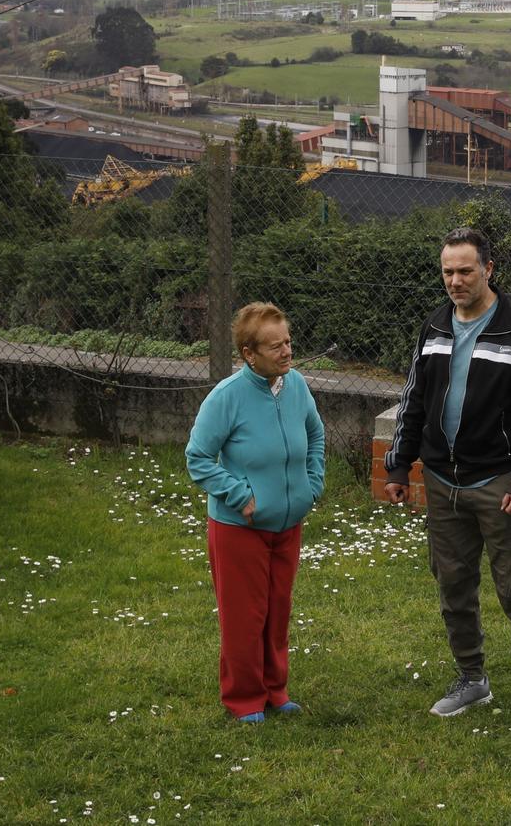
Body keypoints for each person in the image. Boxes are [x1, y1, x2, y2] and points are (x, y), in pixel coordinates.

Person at [383, 226, 511, 726]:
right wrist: (399, 465)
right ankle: (471, 679)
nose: (455, 281)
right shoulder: (434, 328)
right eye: (447, 272)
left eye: (465, 270)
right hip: (442, 484)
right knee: (454, 587)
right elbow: (413, 401)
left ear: (488, 270)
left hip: (499, 485)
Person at [186, 301, 326, 723]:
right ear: (249, 353)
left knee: (277, 609)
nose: (287, 352)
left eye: (288, 342)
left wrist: (310, 485)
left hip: (288, 523)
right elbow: (198, 457)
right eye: (275, 346)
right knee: (245, 615)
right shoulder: (227, 397)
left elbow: (315, 435)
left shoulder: (296, 384)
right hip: (239, 527)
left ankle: (275, 690)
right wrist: (239, 494)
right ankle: (244, 698)